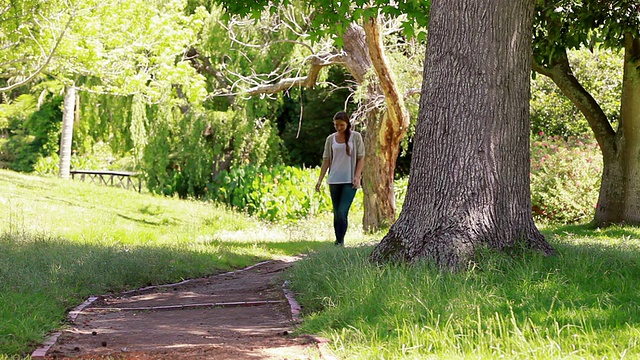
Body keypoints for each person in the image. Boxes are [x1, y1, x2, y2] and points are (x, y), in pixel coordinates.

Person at [315, 111, 365, 246]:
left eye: (341, 125)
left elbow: (361, 158)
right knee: (336, 213)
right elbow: (326, 160)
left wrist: (357, 176)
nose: (338, 127)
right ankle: (338, 241)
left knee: (342, 211)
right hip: (334, 180)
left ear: (347, 124)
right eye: (336, 125)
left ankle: (340, 241)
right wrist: (320, 179)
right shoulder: (330, 139)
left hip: (350, 181)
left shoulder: (356, 137)